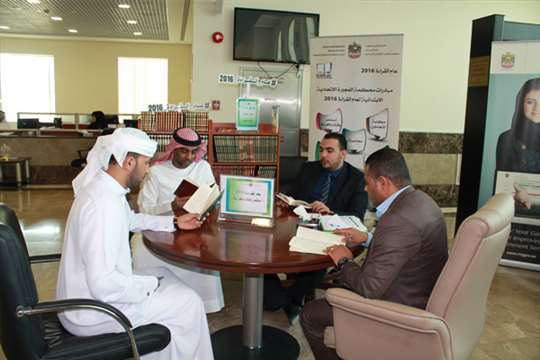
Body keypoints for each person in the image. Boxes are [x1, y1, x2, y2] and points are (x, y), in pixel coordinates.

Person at [56, 128, 214, 360]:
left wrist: (175, 222)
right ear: (129, 162)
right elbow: (103, 284)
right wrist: (148, 285)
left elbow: (131, 219)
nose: (149, 168)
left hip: (89, 295)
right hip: (93, 311)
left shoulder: (106, 189)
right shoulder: (103, 206)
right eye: (146, 162)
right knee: (189, 303)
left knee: (165, 275)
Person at [300, 147, 448, 360]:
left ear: (383, 183)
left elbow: (368, 288)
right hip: (417, 290)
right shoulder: (421, 201)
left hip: (398, 308)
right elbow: (405, 248)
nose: (365, 188)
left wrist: (344, 260)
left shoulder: (398, 220)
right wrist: (368, 238)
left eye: (368, 182)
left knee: (310, 314)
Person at [264, 132, 368, 322]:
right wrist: (288, 200)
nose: (323, 156)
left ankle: (289, 298)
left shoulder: (356, 178)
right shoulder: (309, 169)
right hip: (298, 224)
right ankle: (289, 299)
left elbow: (357, 215)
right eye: (321, 150)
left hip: (330, 231)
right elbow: (294, 196)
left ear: (343, 153)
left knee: (317, 260)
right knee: (266, 253)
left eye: (330, 151)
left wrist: (330, 211)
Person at [134, 127, 224, 313]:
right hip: (159, 227)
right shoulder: (156, 172)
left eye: (193, 152)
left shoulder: (202, 167)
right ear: (173, 149)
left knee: (205, 249)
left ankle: (204, 304)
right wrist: (172, 207)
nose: (189, 157)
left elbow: (211, 196)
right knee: (142, 249)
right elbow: (144, 209)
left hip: (196, 225)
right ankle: (154, 303)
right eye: (184, 151)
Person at [496, 77, 540, 211]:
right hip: (512, 211)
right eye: (530, 102)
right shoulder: (506, 138)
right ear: (521, 103)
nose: (537, 108)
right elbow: (502, 184)